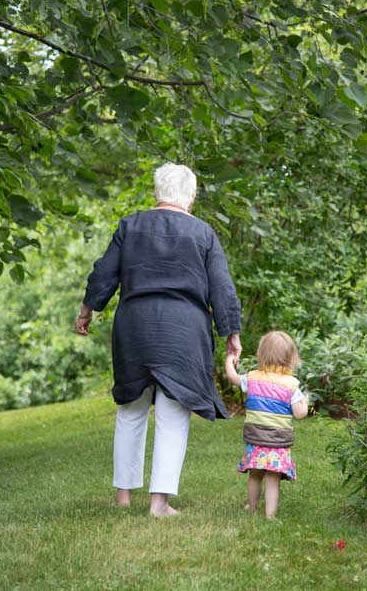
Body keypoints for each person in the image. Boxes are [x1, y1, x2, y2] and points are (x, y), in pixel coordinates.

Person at [75, 163, 242, 517]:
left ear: (157, 193)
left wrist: (88, 309)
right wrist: (232, 333)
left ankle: (123, 497)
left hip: (134, 327)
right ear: (191, 196)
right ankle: (159, 503)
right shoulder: (203, 234)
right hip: (183, 330)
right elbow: (222, 288)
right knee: (172, 413)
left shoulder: (130, 225)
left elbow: (105, 271)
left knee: (131, 411)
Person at [225, 331, 308, 518]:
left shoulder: (253, 377)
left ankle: (253, 507)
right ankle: (270, 515)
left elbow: (233, 378)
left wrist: (229, 361)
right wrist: (306, 401)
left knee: (255, 475)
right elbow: (300, 414)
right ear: (290, 357)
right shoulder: (291, 385)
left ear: (261, 354)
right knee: (272, 479)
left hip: (255, 439)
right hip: (278, 442)